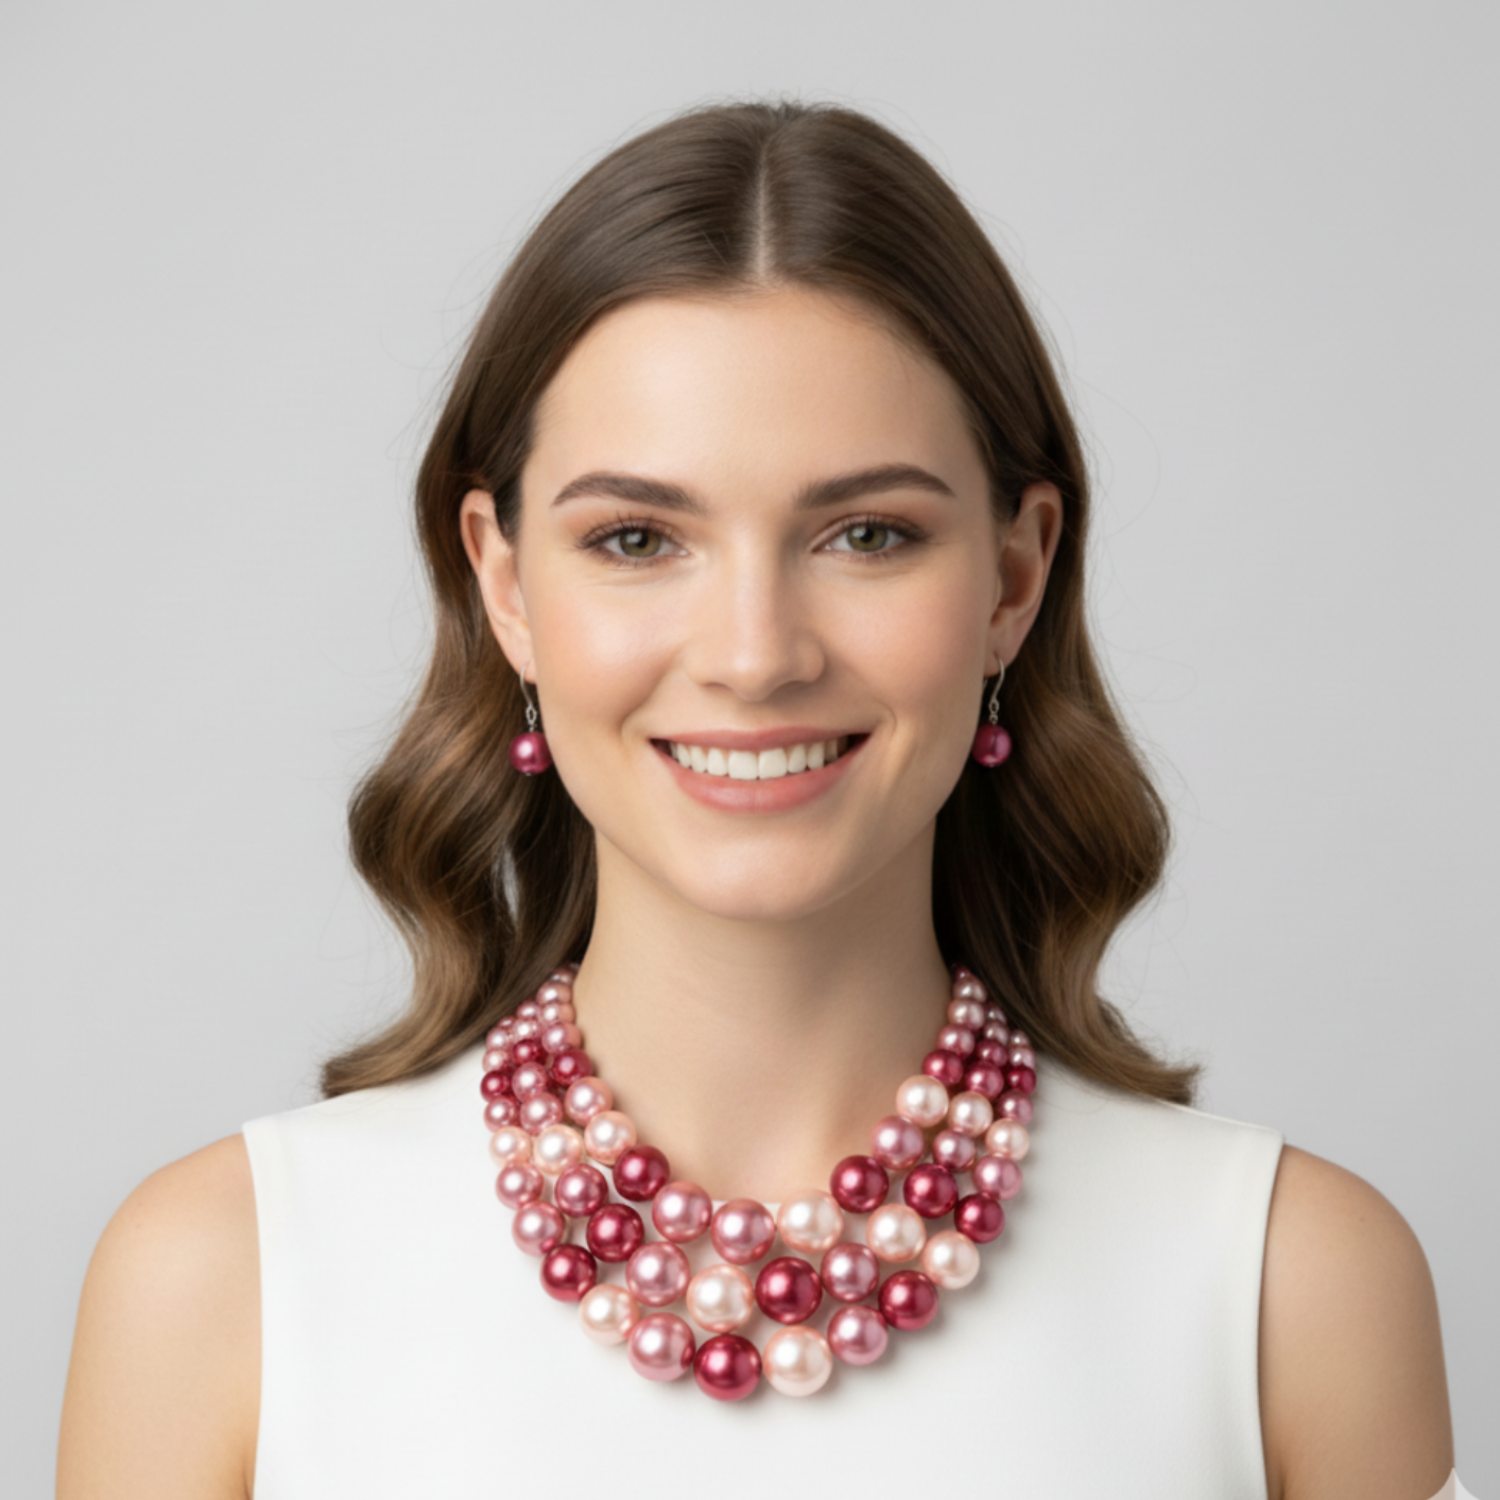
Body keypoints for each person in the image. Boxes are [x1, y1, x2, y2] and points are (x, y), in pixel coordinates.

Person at [56, 98, 1461, 1500]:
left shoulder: (1291, 1291)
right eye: (636, 539)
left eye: (867, 534)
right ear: (505, 584)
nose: (753, 654)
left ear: (1014, 579)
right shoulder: (221, 1287)